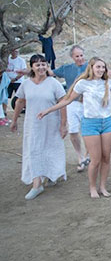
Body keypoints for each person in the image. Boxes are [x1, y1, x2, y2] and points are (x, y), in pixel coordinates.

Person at [37, 57, 111, 199]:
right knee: (95, 159)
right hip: (90, 124)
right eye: (98, 67)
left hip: (106, 123)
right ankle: (92, 187)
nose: (101, 70)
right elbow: (67, 100)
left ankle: (102, 186)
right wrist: (48, 110)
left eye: (103, 67)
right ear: (91, 68)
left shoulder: (108, 83)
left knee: (106, 158)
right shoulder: (83, 83)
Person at [10, 55, 67, 200]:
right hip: (33, 124)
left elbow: (63, 103)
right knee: (34, 150)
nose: (41, 67)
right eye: (37, 65)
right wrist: (14, 120)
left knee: (51, 149)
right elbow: (19, 102)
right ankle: (37, 184)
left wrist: (63, 124)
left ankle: (51, 175)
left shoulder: (53, 83)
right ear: (32, 67)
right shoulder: (26, 84)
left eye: (43, 64)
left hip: (51, 123)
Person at [49, 45, 90, 172]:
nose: (80, 58)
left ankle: (88, 156)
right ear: (72, 57)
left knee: (88, 131)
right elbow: (50, 72)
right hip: (72, 103)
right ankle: (80, 156)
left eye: (81, 55)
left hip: (88, 103)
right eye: (77, 56)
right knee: (73, 131)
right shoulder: (66, 68)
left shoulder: (91, 66)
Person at [4, 49, 27, 115]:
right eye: (13, 51)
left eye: (16, 51)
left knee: (19, 97)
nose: (14, 53)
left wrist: (15, 79)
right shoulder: (7, 59)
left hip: (18, 81)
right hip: (8, 81)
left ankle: (20, 110)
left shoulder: (21, 60)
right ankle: (4, 111)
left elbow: (23, 70)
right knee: (5, 96)